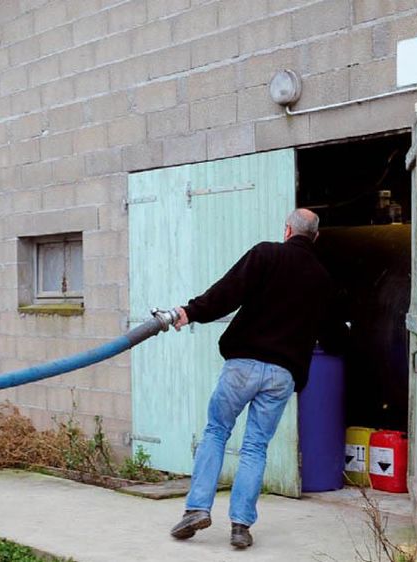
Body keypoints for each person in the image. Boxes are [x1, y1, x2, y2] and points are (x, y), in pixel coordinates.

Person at [169, 208, 343, 549]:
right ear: (316, 237)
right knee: (255, 446)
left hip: (242, 366)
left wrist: (191, 311)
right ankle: (240, 526)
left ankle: (196, 509)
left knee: (217, 432)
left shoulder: (267, 253)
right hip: (282, 375)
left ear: (287, 230)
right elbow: (334, 333)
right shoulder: (322, 278)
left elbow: (227, 292)